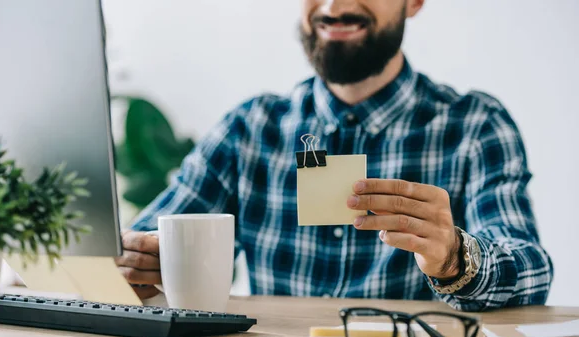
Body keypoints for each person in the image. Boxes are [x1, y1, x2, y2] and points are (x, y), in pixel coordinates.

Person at [114, 0, 553, 311]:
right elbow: (139, 243)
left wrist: (456, 257)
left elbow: (532, 272)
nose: (333, 4)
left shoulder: (474, 126)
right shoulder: (248, 130)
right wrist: (135, 262)